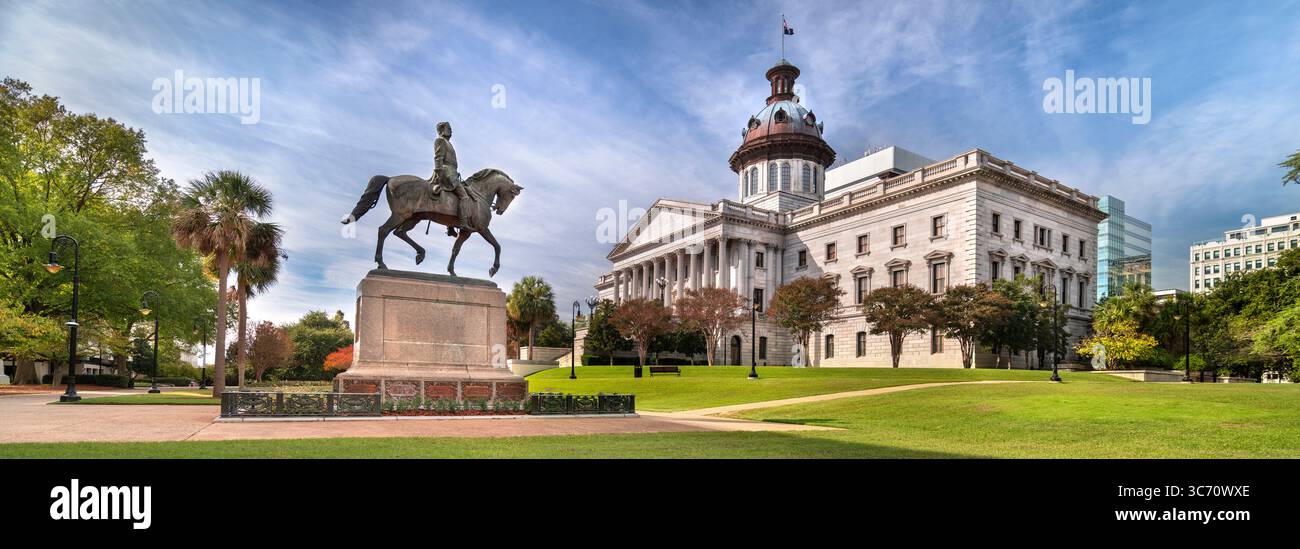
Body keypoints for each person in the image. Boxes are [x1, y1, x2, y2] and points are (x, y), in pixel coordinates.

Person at [431, 121, 472, 235]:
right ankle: (463, 223)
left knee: (454, 197)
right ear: (442, 130)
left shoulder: (448, 143)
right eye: (449, 128)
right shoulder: (440, 140)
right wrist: (439, 174)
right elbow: (438, 158)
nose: (451, 131)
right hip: (447, 173)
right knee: (464, 197)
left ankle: (450, 228)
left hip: (452, 172)